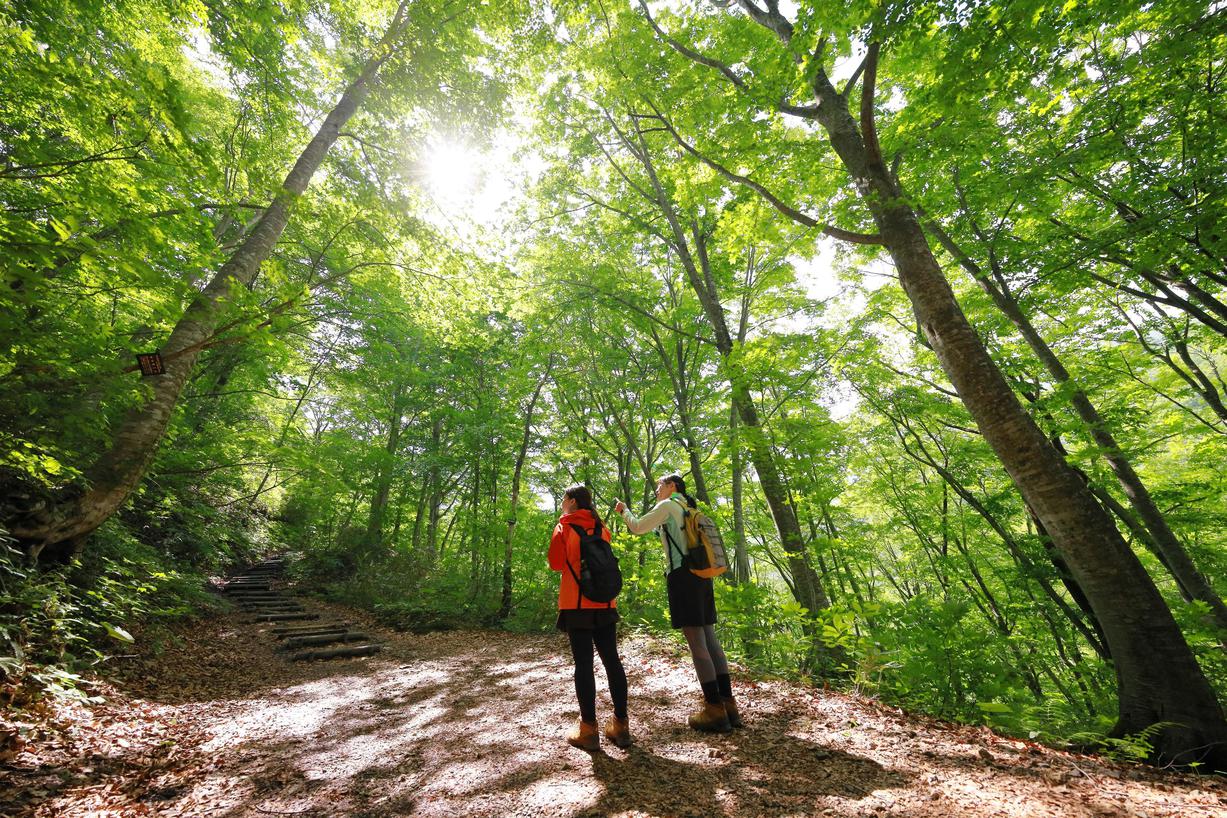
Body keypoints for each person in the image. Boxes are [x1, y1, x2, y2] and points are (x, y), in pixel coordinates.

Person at [615, 474, 741, 733]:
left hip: (682, 577)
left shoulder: (668, 506)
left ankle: (714, 710)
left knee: (697, 643)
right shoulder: (690, 508)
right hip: (702, 576)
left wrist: (624, 511)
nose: (657, 490)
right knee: (710, 639)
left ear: (672, 486)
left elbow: (637, 526)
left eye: (660, 486)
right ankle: (729, 706)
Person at [548, 484, 631, 751]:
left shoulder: (564, 527)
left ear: (572, 501)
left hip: (577, 604)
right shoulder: (601, 527)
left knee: (584, 665)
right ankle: (621, 726)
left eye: (564, 499)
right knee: (612, 661)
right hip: (605, 602)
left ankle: (588, 730)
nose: (562, 503)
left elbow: (556, 564)